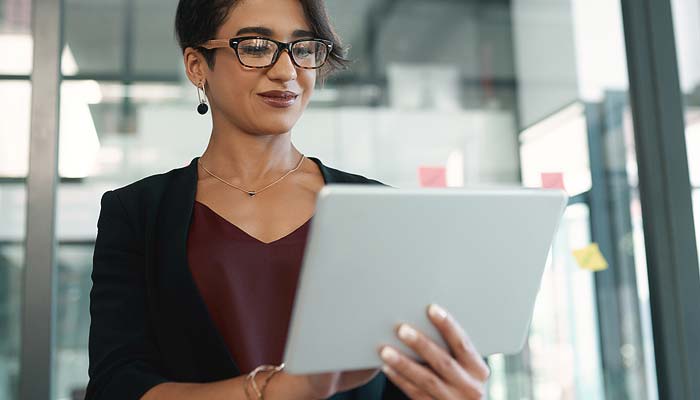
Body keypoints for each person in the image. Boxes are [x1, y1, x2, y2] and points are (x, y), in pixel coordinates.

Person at [85, 0, 490, 399]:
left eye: (304, 48)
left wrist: (447, 388)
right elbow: (117, 385)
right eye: (256, 48)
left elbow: (399, 379)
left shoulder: (381, 211)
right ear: (196, 65)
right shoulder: (136, 213)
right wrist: (280, 390)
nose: (286, 71)